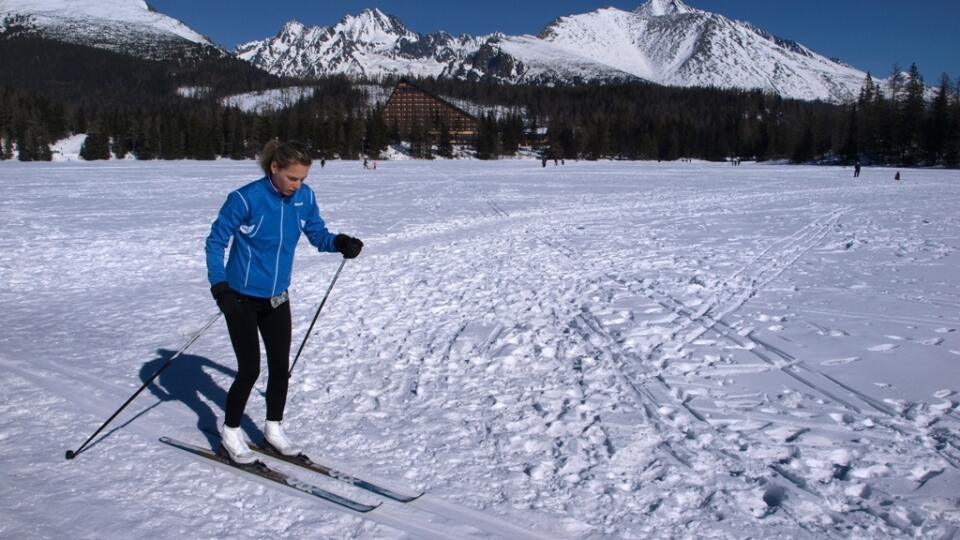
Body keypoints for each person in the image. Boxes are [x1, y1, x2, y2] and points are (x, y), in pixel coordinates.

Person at [205, 140, 364, 464]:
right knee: (249, 369)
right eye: (293, 178)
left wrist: (340, 242)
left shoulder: (303, 198)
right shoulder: (245, 198)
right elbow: (215, 241)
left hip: (277, 297)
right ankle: (231, 433)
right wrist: (220, 286)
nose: (298, 185)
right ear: (274, 168)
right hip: (240, 299)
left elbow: (317, 234)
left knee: (281, 368)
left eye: (303, 179)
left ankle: (273, 429)